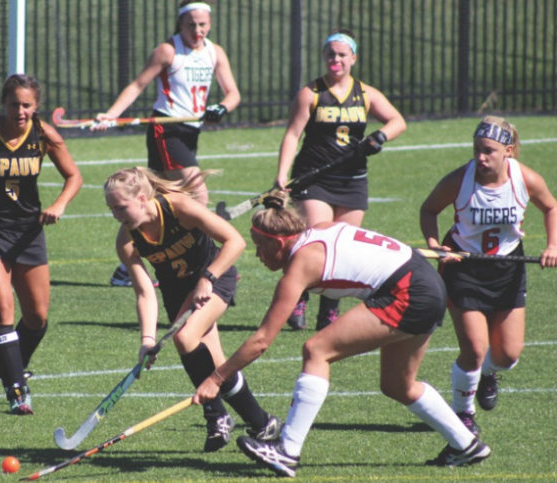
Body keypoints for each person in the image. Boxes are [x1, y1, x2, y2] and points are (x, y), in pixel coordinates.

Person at [193, 193, 491, 477]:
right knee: (398, 385)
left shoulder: (301, 264)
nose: (257, 254)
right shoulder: (319, 229)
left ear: (280, 242)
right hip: (425, 282)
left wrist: (217, 378)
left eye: (260, 245)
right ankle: (466, 445)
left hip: (409, 291)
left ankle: (287, 450)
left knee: (316, 350)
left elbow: (261, 341)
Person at [104, 167, 281, 452]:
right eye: (111, 209)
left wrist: (207, 278)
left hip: (214, 277)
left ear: (140, 198)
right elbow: (145, 291)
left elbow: (235, 241)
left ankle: (215, 415)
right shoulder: (126, 240)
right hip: (177, 294)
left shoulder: (179, 208)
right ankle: (262, 423)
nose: (116, 215)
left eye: (121, 207)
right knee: (216, 362)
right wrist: (147, 340)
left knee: (184, 338)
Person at [0, 74, 82, 415]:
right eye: (14, 104)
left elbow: (74, 176)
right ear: (3, 103)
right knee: (2, 308)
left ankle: (8, 362)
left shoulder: (44, 136)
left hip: (28, 231)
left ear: (35, 106)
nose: (20, 111)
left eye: (26, 105)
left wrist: (59, 205)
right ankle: (16, 389)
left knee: (37, 317)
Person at [419, 116, 557, 435]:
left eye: (489, 151)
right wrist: (433, 244)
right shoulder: (460, 179)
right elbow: (429, 210)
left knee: (507, 355)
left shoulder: (525, 180)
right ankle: (463, 414)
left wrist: (552, 245)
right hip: (462, 267)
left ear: (507, 151)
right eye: (476, 149)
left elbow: (551, 207)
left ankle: (488, 374)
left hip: (508, 268)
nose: (480, 157)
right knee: (475, 349)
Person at [94, 0, 240, 288]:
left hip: (190, 132)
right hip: (166, 128)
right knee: (197, 193)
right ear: (181, 23)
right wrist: (112, 115)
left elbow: (233, 93)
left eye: (203, 24)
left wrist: (221, 107)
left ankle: (126, 269)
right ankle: (209, 260)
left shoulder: (214, 52)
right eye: (191, 25)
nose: (197, 30)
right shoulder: (168, 51)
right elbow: (138, 85)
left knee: (160, 199)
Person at [275, 29, 406, 330]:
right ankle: (300, 296)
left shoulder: (366, 93)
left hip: (352, 181)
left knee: (343, 248)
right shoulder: (311, 92)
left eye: (342, 54)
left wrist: (381, 136)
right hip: (314, 178)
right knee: (316, 238)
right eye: (330, 54)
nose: (336, 59)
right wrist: (281, 176)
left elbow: (398, 120)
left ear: (353, 58)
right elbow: (293, 134)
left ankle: (329, 311)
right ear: (324, 57)